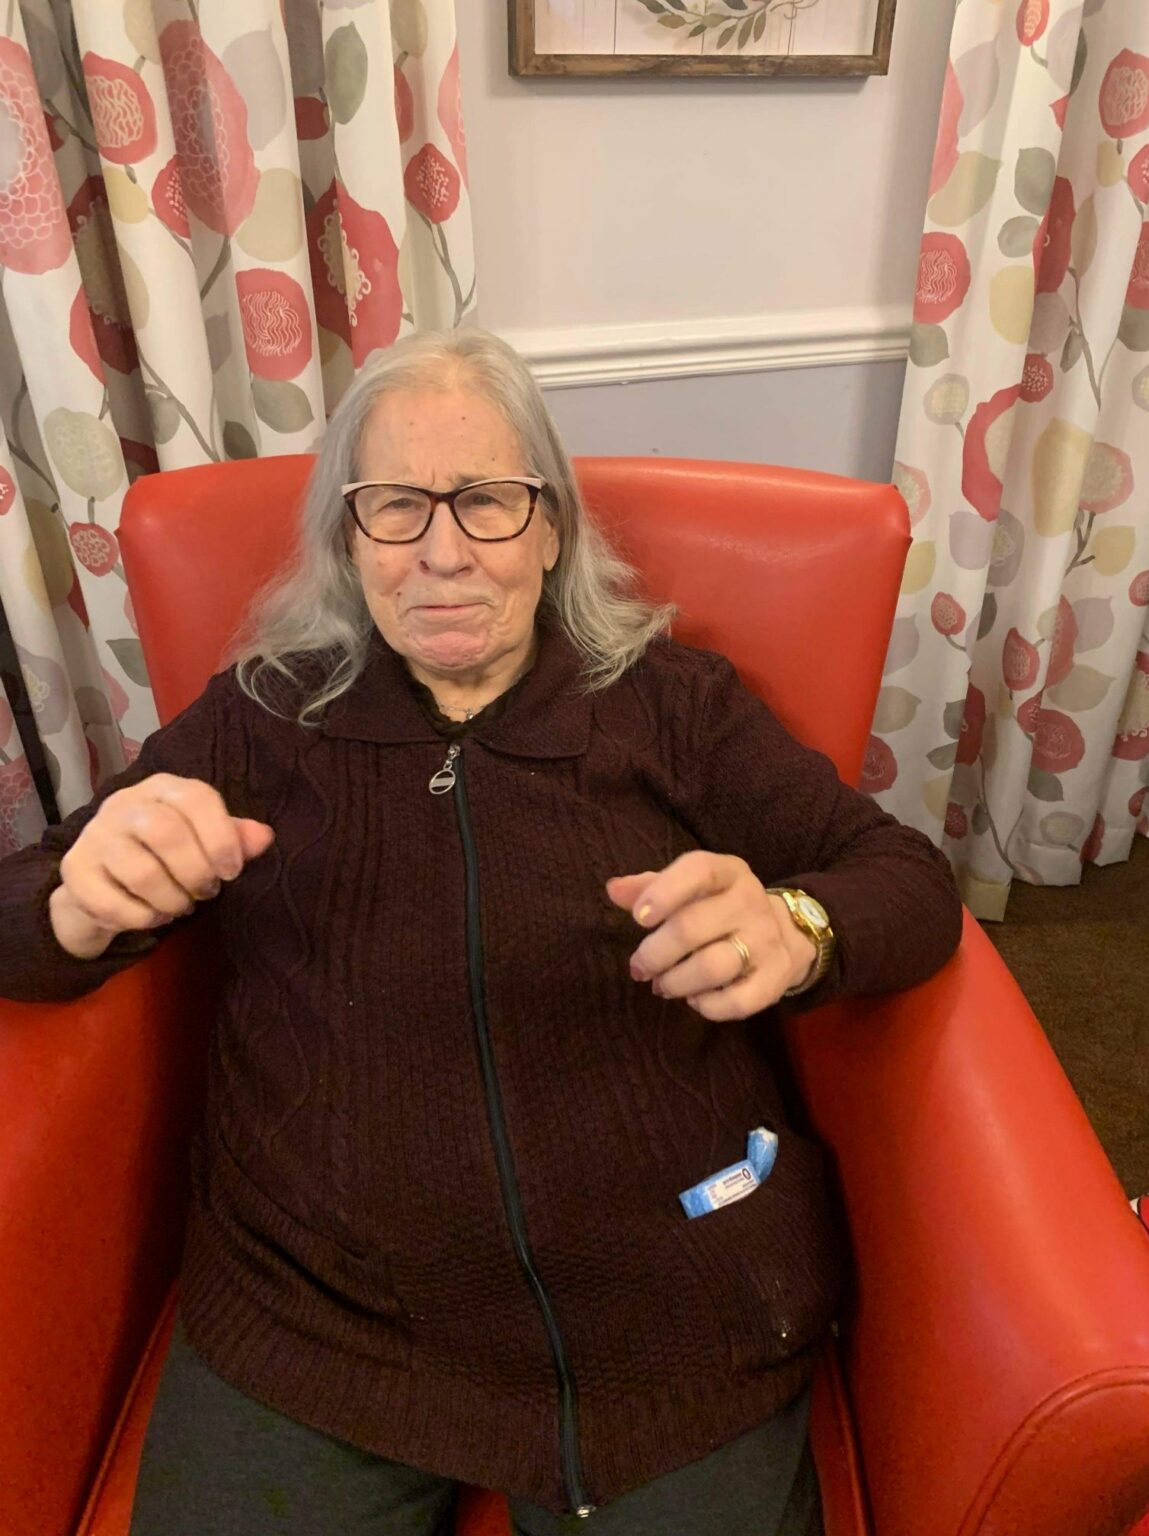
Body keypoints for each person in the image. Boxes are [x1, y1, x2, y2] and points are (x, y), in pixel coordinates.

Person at [0, 328, 962, 1536]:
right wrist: (79, 903)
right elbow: (21, 915)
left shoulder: (678, 706)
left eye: (489, 501)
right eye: (396, 505)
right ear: (349, 540)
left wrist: (796, 926)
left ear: (550, 528)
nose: (443, 551)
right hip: (318, 1311)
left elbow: (907, 881)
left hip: (665, 1309)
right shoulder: (259, 717)